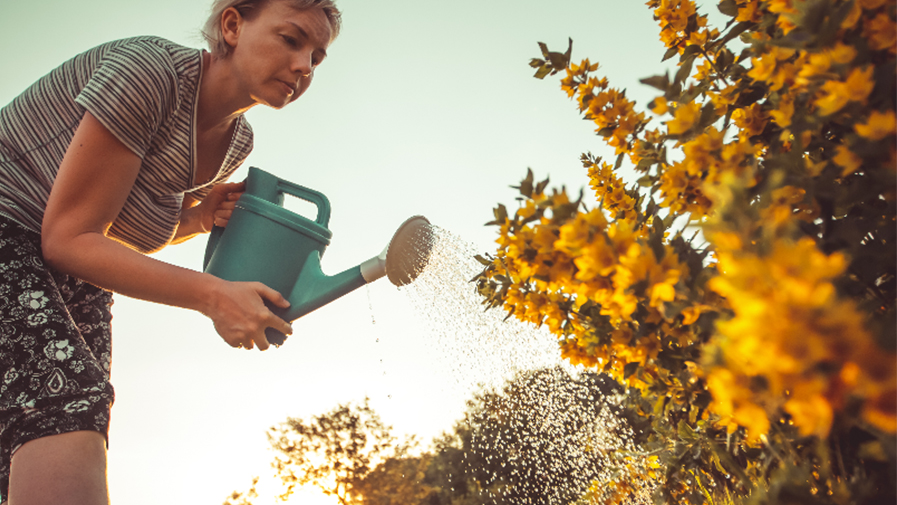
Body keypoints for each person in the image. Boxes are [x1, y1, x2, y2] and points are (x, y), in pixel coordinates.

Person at [0, 0, 340, 502]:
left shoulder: (236, 142)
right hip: (11, 229)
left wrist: (197, 218)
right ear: (231, 25)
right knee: (65, 400)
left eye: (317, 57)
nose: (303, 67)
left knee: (50, 431)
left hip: (73, 273)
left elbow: (117, 223)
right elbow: (69, 238)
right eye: (291, 40)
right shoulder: (151, 74)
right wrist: (212, 296)